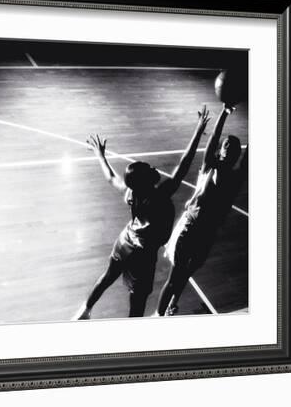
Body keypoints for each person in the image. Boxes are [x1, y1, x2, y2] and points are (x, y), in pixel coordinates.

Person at [73, 107, 211, 319]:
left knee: (108, 276)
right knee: (137, 305)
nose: (152, 167)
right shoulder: (161, 195)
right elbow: (185, 162)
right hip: (142, 256)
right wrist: (198, 131)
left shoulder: (132, 193)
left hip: (125, 241)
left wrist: (100, 155)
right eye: (148, 169)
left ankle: (85, 311)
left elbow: (111, 178)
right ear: (147, 181)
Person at [156, 103, 248, 316]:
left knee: (187, 272)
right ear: (220, 149)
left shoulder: (235, 178)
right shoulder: (209, 166)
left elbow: (249, 159)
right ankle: (157, 317)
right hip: (190, 226)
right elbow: (214, 137)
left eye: (233, 147)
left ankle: (172, 304)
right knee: (174, 277)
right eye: (226, 144)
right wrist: (224, 113)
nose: (229, 148)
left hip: (208, 232)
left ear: (236, 154)